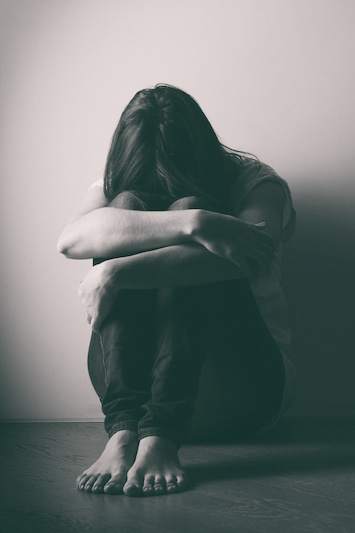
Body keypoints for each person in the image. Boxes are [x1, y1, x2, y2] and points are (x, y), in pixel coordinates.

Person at [56, 84, 296, 497]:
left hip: (241, 395)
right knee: (126, 206)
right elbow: (70, 241)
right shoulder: (113, 184)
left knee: (183, 206)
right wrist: (196, 225)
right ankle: (125, 435)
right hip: (125, 402)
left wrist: (116, 272)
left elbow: (254, 253)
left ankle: (162, 433)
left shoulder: (257, 185)